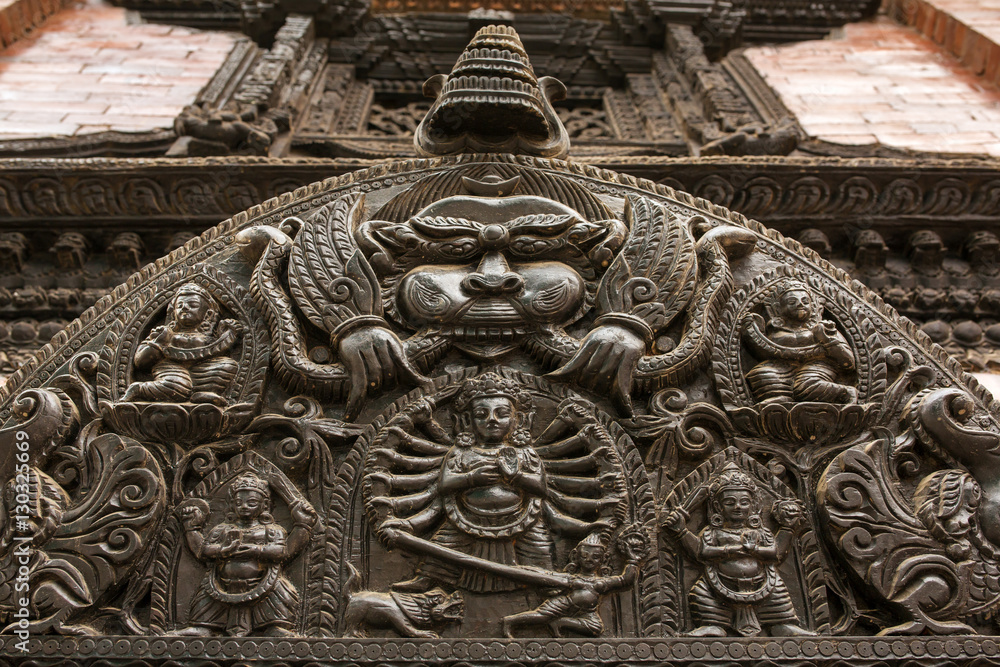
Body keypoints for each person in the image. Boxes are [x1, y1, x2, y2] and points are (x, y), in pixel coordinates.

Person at [391, 373, 554, 593]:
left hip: (520, 517)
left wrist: (515, 477)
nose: (492, 420)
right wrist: (471, 479)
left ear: (517, 420)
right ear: (467, 421)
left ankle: (550, 586)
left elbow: (540, 488)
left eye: (502, 413)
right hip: (467, 516)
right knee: (443, 547)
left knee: (539, 549)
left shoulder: (524, 452)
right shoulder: (462, 452)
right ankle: (427, 579)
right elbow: (445, 485)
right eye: (481, 414)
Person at [663, 463, 812, 637]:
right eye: (729, 502)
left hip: (762, 583)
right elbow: (701, 552)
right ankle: (712, 624)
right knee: (701, 593)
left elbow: (775, 553)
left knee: (779, 593)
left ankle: (782, 623)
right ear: (718, 507)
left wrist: (759, 546)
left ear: (754, 505)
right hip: (719, 583)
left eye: (744, 502)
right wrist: (682, 531)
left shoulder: (760, 532)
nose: (738, 507)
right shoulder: (713, 532)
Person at [171, 472, 316, 637]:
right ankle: (203, 626)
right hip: (221, 586)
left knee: (280, 592)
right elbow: (203, 551)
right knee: (205, 598)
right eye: (239, 503)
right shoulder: (222, 530)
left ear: (265, 505)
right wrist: (211, 542)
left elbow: (283, 552)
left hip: (264, 585)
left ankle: (275, 626)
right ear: (232, 505)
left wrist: (257, 550)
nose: (244, 506)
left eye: (252, 502)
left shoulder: (271, 530)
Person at [501, 531, 640, 638]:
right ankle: (510, 621)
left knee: (596, 627)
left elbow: (625, 580)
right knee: (540, 616)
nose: (589, 559)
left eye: (595, 557)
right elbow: (546, 578)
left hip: (587, 612)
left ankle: (561, 622)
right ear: (576, 557)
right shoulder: (573, 579)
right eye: (585, 556)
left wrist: (632, 560)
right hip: (564, 604)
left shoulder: (602, 582)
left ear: (603, 560)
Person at [123, 282, 241, 405]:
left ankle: (203, 392)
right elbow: (140, 361)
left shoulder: (209, 337)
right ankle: (140, 389)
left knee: (228, 364)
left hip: (201, 372)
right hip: (171, 371)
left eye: (192, 304)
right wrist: (159, 342)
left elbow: (218, 351)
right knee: (178, 386)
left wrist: (227, 334)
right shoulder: (164, 334)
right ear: (173, 312)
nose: (184, 307)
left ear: (208, 313)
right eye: (180, 305)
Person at [742, 279, 857, 404]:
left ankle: (845, 393)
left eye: (805, 301)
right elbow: (764, 351)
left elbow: (848, 362)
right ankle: (783, 397)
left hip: (816, 368)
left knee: (805, 386)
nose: (800, 304)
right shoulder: (774, 332)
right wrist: (751, 332)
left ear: (813, 306)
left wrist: (828, 339)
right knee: (760, 374)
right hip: (782, 368)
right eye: (792, 302)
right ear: (777, 308)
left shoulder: (823, 329)